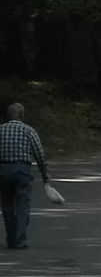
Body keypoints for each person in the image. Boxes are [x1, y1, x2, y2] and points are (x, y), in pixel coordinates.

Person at [0, 102, 51, 249]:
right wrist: (45, 174)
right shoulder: (29, 131)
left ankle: (11, 238)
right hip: (22, 170)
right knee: (22, 204)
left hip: (3, 170)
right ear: (23, 115)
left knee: (7, 204)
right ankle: (19, 239)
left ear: (8, 115)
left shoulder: (0, 130)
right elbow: (39, 154)